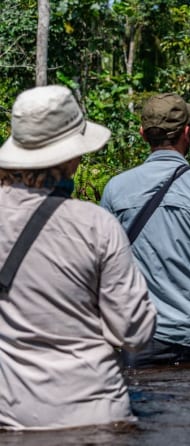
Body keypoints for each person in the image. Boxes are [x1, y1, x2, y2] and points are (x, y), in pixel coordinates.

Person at [0, 85, 156, 430]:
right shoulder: (95, 224)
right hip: (96, 415)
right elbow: (134, 332)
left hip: (13, 419)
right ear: (72, 157)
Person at [100, 92, 190, 366]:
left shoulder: (115, 189)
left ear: (143, 134)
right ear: (187, 132)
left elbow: (105, 268)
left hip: (143, 336)